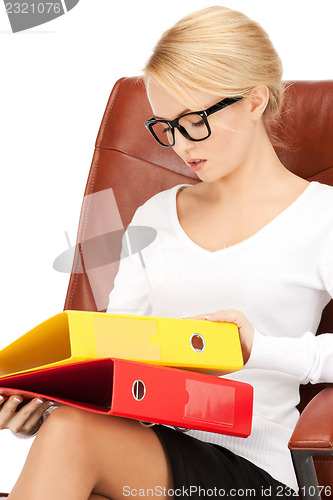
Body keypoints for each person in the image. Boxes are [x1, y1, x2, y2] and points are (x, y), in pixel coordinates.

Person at [1, 5, 333, 499]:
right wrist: (48, 402)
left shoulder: (321, 217)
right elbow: (116, 351)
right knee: (68, 426)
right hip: (148, 444)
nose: (178, 144)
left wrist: (256, 347)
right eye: (164, 126)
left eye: (193, 121)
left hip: (251, 466)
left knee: (73, 435)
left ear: (255, 100)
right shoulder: (154, 214)